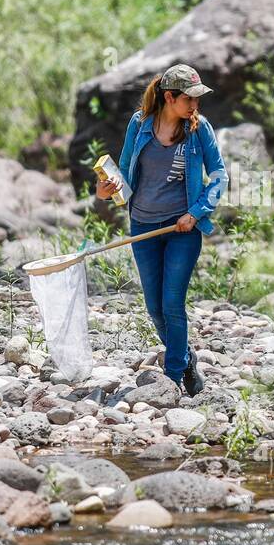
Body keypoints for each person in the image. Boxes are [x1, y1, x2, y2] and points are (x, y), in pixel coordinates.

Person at [97, 64, 228, 397]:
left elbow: (220, 176)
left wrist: (196, 212)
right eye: (189, 98)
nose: (195, 105)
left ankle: (171, 379)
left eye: (198, 98)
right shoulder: (139, 124)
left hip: (182, 230)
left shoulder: (200, 128)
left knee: (172, 303)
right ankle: (185, 357)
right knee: (154, 307)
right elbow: (124, 173)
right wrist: (107, 189)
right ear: (169, 97)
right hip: (143, 225)